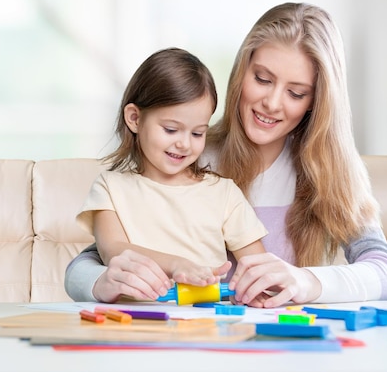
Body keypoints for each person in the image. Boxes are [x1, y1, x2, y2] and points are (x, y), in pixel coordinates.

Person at [65, 2, 387, 308]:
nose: (272, 103)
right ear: (241, 72)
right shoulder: (189, 156)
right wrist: (100, 283)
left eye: (296, 93)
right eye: (262, 78)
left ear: (316, 102)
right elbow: (95, 258)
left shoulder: (333, 173)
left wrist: (307, 281)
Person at [75, 47, 268, 297]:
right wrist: (177, 265)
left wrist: (261, 292)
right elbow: (114, 250)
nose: (185, 144)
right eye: (171, 129)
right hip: (133, 323)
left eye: (198, 133)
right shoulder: (109, 187)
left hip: (205, 325)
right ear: (134, 118)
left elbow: (259, 269)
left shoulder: (223, 193)